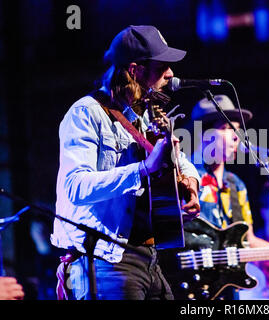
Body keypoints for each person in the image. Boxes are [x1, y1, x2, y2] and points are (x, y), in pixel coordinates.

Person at [51, 25, 201, 300]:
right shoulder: (86, 113)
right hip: (107, 260)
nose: (170, 74)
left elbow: (183, 162)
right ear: (135, 70)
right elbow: (75, 187)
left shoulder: (144, 117)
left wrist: (191, 182)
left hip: (150, 258)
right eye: (162, 66)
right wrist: (144, 169)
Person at [187, 94, 269, 248]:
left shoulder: (236, 184)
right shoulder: (184, 177)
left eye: (237, 129)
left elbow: (249, 240)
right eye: (226, 128)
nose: (236, 136)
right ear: (204, 134)